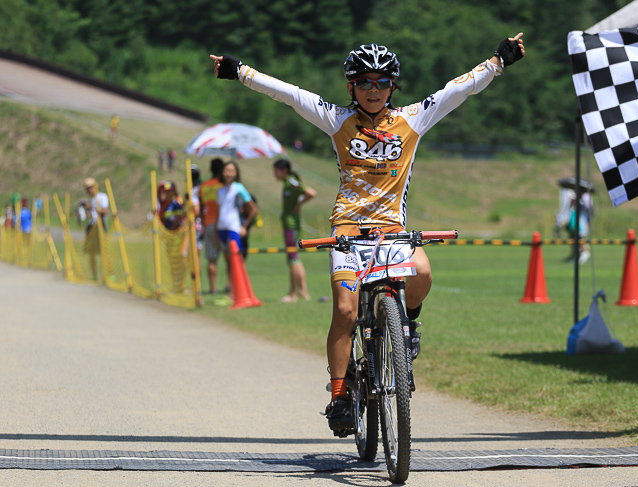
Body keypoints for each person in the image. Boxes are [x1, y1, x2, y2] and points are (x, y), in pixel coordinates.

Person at [210, 35, 525, 432]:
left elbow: (457, 89)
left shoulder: (413, 118)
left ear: (393, 86)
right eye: (364, 82)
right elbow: (289, 94)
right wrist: (240, 72)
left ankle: (407, 326)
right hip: (347, 228)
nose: (372, 91)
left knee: (423, 273)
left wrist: (499, 60)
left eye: (381, 83)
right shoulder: (337, 119)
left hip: (392, 230)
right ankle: (339, 395)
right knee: (344, 310)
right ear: (351, 87)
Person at [273, 158, 317, 303]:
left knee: (293, 259)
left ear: (284, 170)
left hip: (291, 225)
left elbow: (311, 192)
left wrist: (299, 204)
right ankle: (303, 292)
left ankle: (294, 294)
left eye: (276, 171)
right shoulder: (287, 184)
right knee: (294, 259)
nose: (275, 174)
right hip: (289, 224)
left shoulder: (291, 182)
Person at [217, 160, 258, 293]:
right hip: (221, 228)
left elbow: (253, 209)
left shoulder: (238, 188)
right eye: (226, 170)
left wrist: (244, 227)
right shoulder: (220, 190)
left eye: (231, 171)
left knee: (236, 261)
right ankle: (230, 287)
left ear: (236, 173)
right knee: (228, 262)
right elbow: (219, 210)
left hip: (233, 228)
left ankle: (237, 291)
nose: (228, 173)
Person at [200, 158, 225, 293]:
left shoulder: (204, 186)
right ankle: (229, 285)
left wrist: (203, 222)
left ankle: (213, 288)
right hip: (223, 225)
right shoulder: (223, 186)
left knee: (211, 259)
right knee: (229, 256)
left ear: (210, 169)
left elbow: (201, 207)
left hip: (208, 224)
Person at [83, 177, 109, 281]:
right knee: (91, 253)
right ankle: (94, 274)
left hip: (100, 227)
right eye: (88, 188)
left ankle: (109, 274)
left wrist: (92, 207)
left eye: (91, 187)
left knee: (104, 252)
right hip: (92, 228)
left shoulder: (102, 197)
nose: (90, 190)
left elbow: (104, 211)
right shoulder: (93, 200)